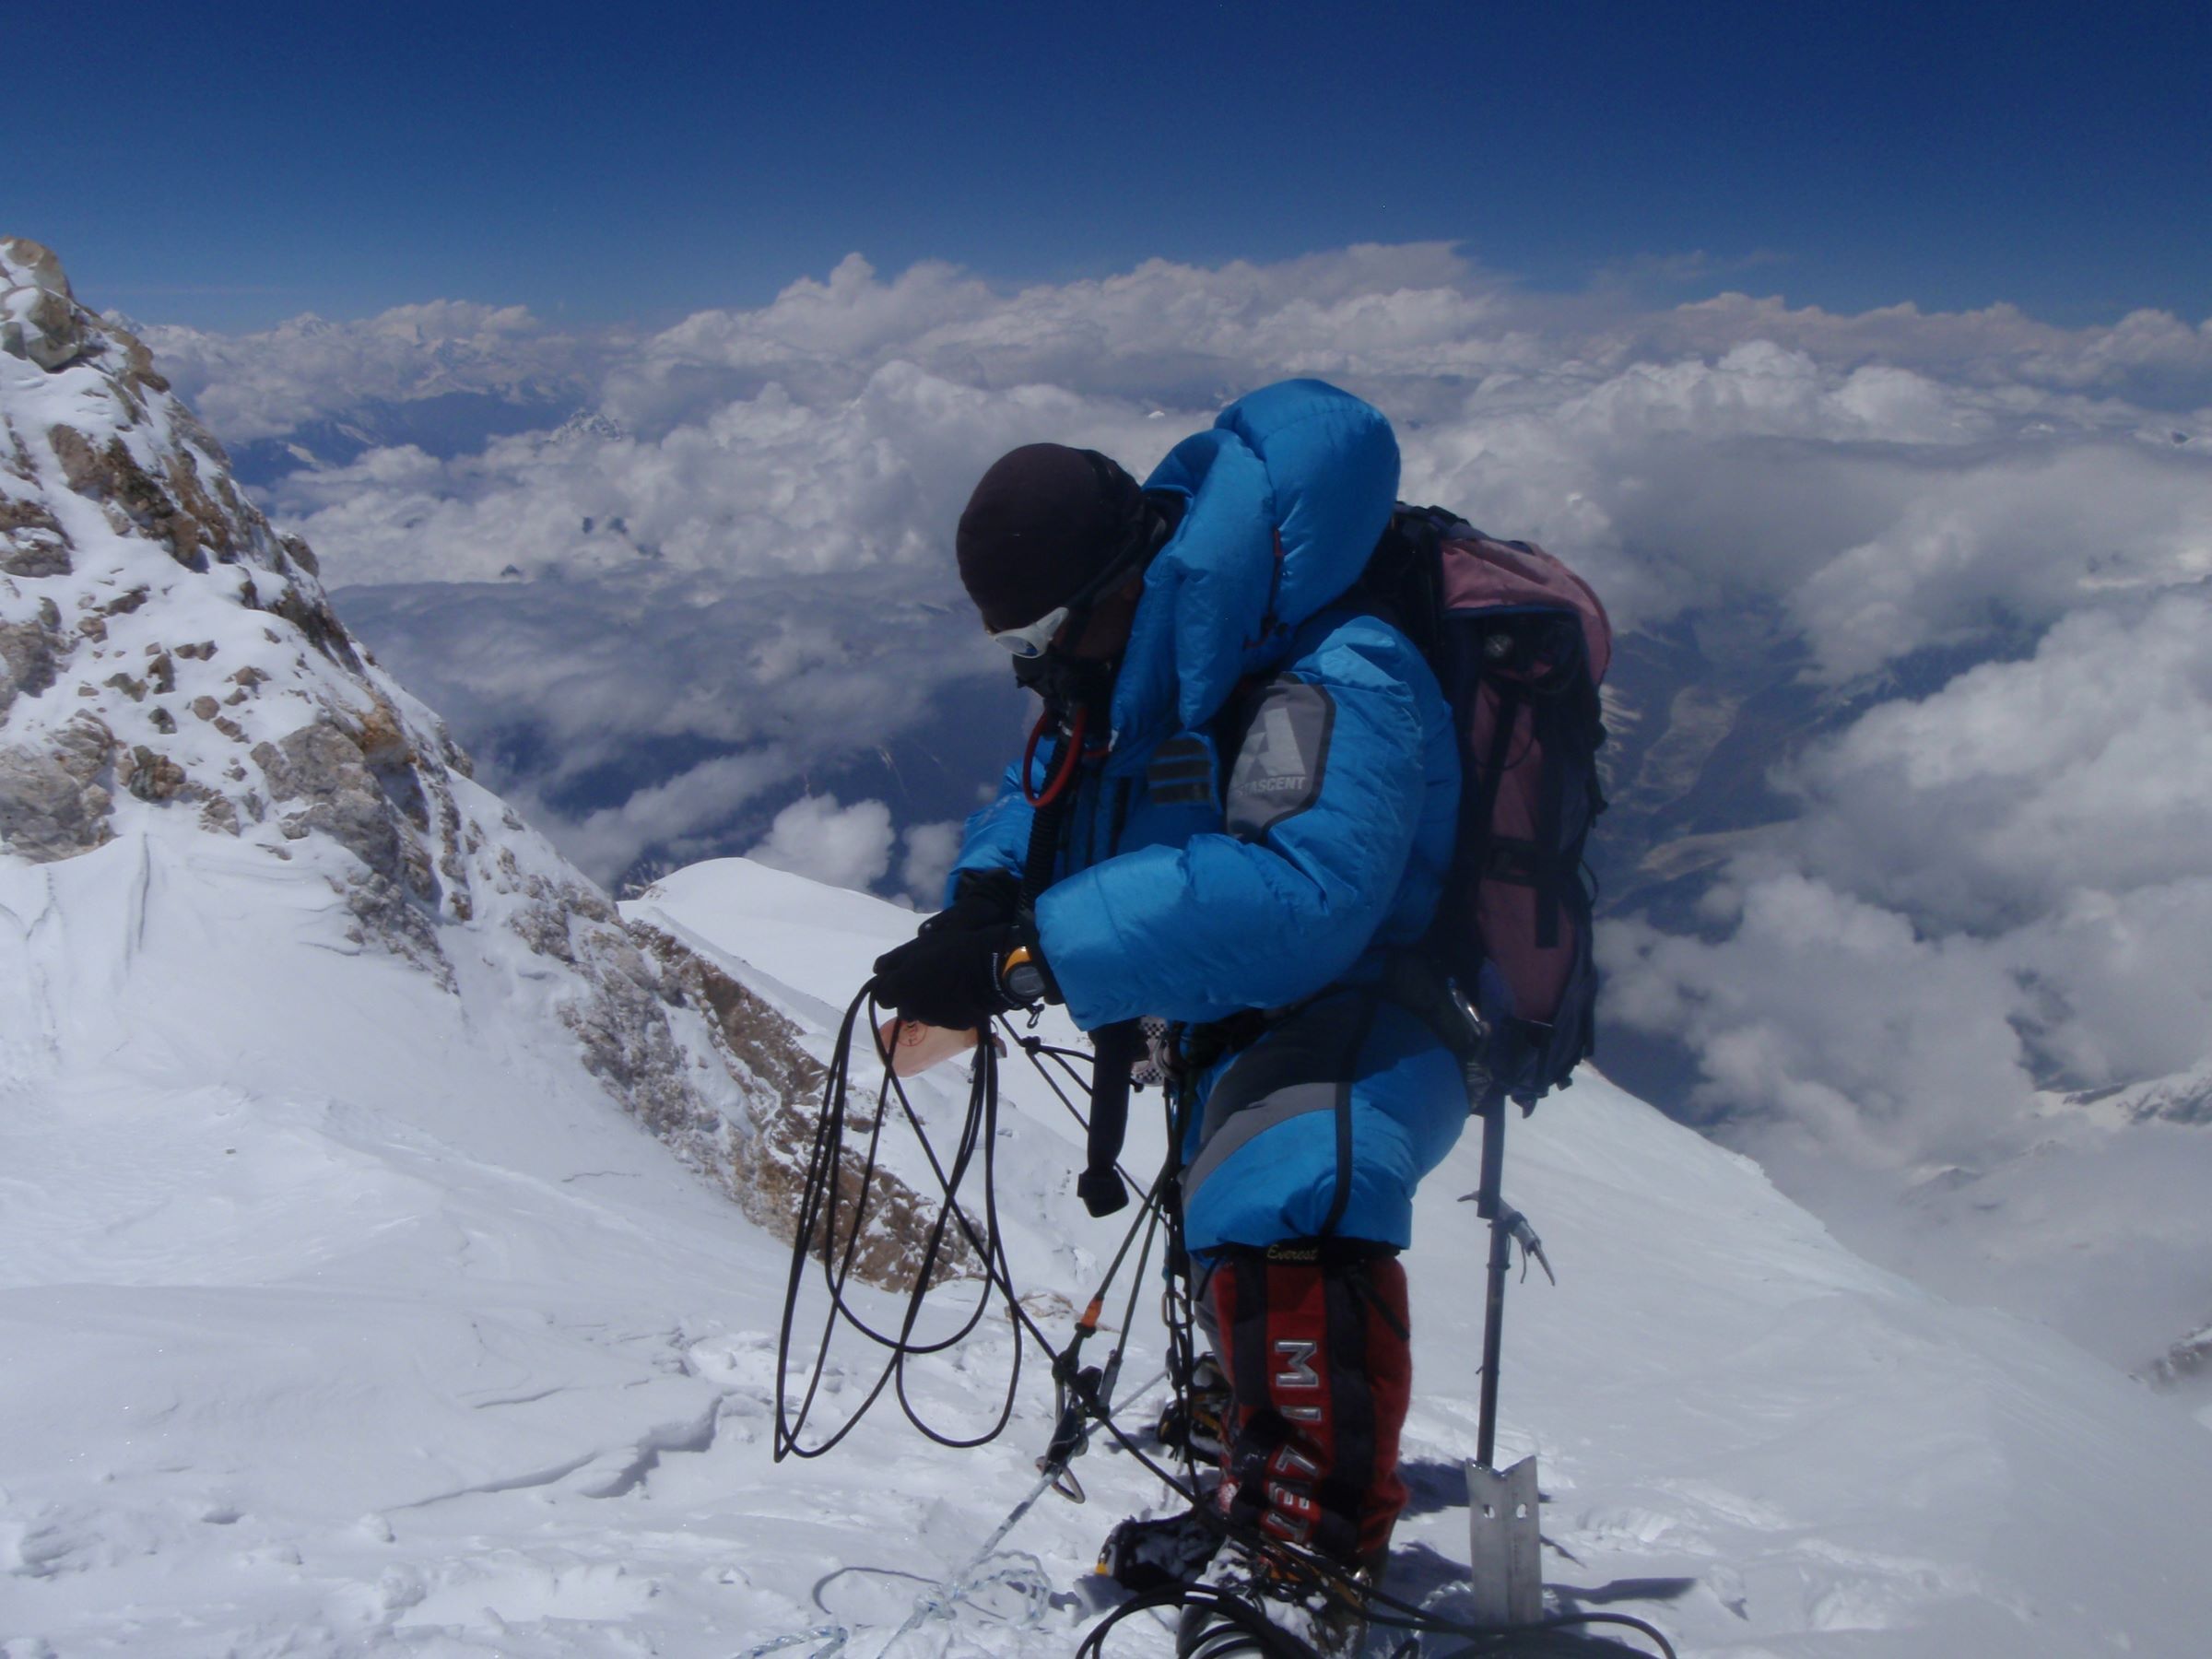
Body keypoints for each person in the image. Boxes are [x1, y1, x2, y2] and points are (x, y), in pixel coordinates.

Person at [870, 380, 1466, 1655]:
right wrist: (990, 889)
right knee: (1221, 1210)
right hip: (1242, 1013)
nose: (1042, 657)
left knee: (1284, 1184)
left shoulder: (1335, 667)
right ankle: (1253, 1462)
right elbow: (1057, 787)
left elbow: (1307, 897)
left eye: (1051, 624)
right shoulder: (1159, 654)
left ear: (1128, 574)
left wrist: (1032, 952)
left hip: (1379, 1009)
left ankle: (1307, 1560)